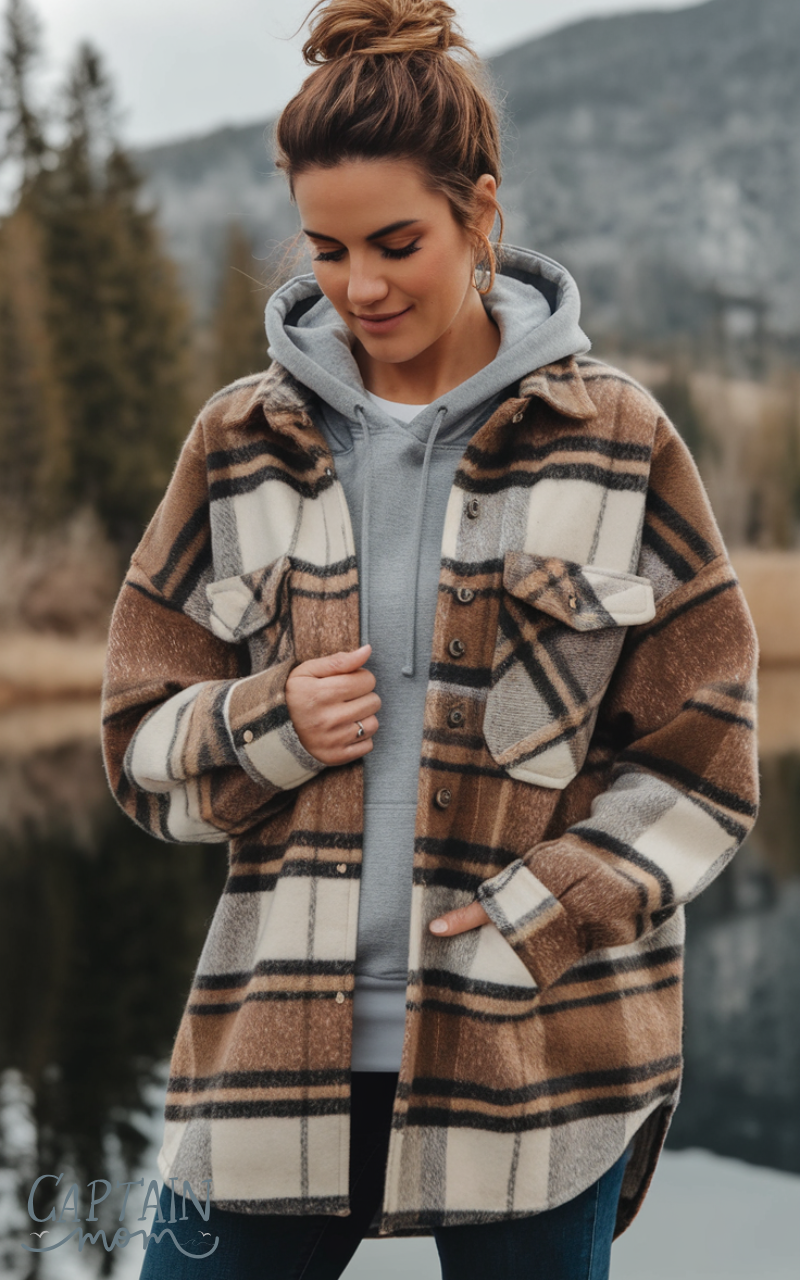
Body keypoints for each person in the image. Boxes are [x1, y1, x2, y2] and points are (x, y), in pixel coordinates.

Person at [101, 1, 760, 1276]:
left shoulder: (617, 438)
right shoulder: (236, 444)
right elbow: (137, 742)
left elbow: (704, 761)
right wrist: (268, 723)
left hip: (537, 1059)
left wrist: (544, 905)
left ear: (478, 211)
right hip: (270, 1064)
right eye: (327, 248)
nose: (359, 286)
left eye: (396, 242)